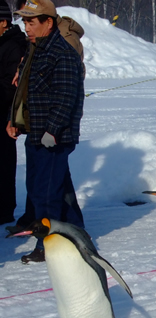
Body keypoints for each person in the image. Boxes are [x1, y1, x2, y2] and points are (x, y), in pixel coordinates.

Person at [6, 0, 85, 263]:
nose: (27, 27)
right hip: (35, 130)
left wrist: (53, 130)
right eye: (25, 22)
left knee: (46, 192)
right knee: (51, 187)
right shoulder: (35, 48)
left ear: (48, 22)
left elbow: (66, 96)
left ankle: (48, 243)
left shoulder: (61, 53)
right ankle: (75, 232)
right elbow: (24, 90)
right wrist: (14, 120)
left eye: (32, 22)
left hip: (54, 136)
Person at [0, 0, 27, 226]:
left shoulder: (13, 46)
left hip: (4, 115)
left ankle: (4, 211)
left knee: (4, 163)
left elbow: (11, 86)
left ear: (3, 23)